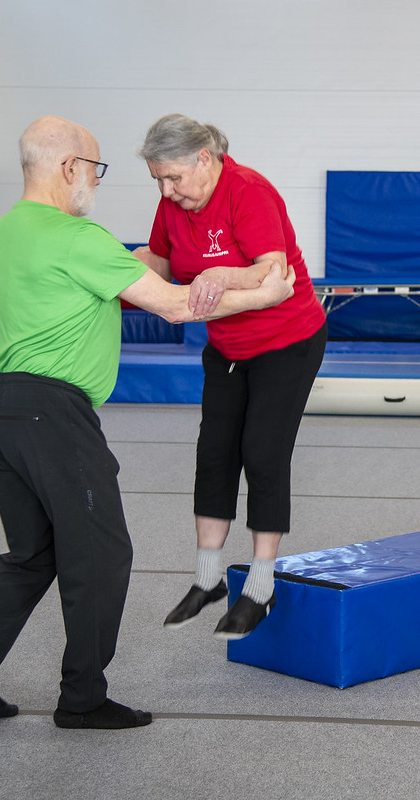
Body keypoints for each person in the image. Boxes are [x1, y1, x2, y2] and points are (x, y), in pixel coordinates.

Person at [0, 115, 295, 730]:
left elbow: (137, 277)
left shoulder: (4, 232)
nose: (95, 182)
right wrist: (264, 295)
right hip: (54, 415)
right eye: (95, 169)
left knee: (32, 553)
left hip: (0, 409)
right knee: (102, 555)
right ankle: (82, 699)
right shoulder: (79, 238)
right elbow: (179, 304)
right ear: (71, 168)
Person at [135, 113, 327, 640]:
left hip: (287, 341)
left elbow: (272, 269)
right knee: (214, 453)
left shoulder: (248, 190)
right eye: (158, 180)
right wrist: (111, 268)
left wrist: (222, 273)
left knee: (262, 453)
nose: (167, 190)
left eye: (173, 177)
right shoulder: (175, 202)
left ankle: (260, 587)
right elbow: (159, 259)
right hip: (227, 344)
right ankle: (208, 578)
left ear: (205, 158)